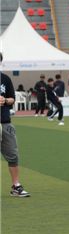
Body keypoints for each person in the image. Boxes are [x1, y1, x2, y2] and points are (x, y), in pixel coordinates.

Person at [1, 53, 30, 197]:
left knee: (13, 155)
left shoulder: (5, 79)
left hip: (5, 122)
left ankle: (16, 186)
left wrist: (5, 100)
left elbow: (12, 99)